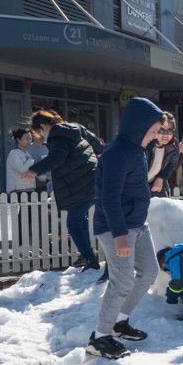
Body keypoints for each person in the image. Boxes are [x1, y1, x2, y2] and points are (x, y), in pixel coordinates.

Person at [85, 97, 163, 359]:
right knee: (122, 282)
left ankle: (118, 321)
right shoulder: (117, 153)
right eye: (152, 131)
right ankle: (100, 338)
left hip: (137, 224)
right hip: (116, 227)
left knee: (149, 272)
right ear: (139, 128)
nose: (154, 137)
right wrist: (120, 236)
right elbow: (109, 199)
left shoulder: (136, 151)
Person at [29, 109, 104, 270]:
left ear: (44, 126)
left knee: (73, 222)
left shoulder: (57, 136)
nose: (42, 137)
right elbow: (96, 143)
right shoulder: (75, 127)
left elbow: (56, 158)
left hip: (83, 184)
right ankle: (87, 255)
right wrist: (98, 155)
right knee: (78, 219)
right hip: (92, 179)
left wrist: (34, 170)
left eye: (40, 133)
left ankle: (89, 258)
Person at [146, 113, 183, 198]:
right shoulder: (147, 143)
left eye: (169, 131)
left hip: (157, 184)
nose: (165, 135)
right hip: (137, 184)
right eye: (161, 130)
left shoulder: (174, 145)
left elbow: (172, 165)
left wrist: (160, 178)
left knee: (163, 208)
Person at [7, 128, 37, 194]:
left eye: (30, 138)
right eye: (27, 138)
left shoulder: (27, 153)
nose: (29, 141)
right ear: (18, 140)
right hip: (18, 191)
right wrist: (31, 161)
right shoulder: (14, 153)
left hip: (29, 189)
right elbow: (22, 169)